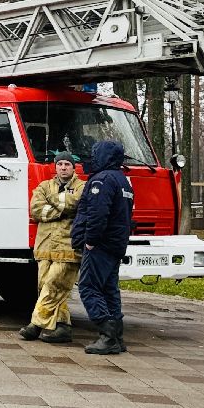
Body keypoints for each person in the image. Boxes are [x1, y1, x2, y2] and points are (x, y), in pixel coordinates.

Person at [71, 139, 134, 356]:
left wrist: (90, 240)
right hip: (116, 243)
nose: (92, 156)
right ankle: (116, 335)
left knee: (88, 287)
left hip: (101, 244)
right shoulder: (123, 180)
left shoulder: (102, 180)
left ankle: (107, 335)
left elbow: (98, 214)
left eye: (95, 153)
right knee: (109, 289)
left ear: (104, 156)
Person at [19, 151, 84, 344]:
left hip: (68, 247)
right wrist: (63, 208)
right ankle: (63, 327)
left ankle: (35, 325)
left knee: (53, 285)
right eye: (60, 164)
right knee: (47, 287)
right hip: (45, 246)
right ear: (55, 167)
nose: (63, 167)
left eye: (67, 164)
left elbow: (76, 204)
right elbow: (36, 209)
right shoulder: (44, 186)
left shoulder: (82, 187)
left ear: (74, 167)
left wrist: (54, 203)